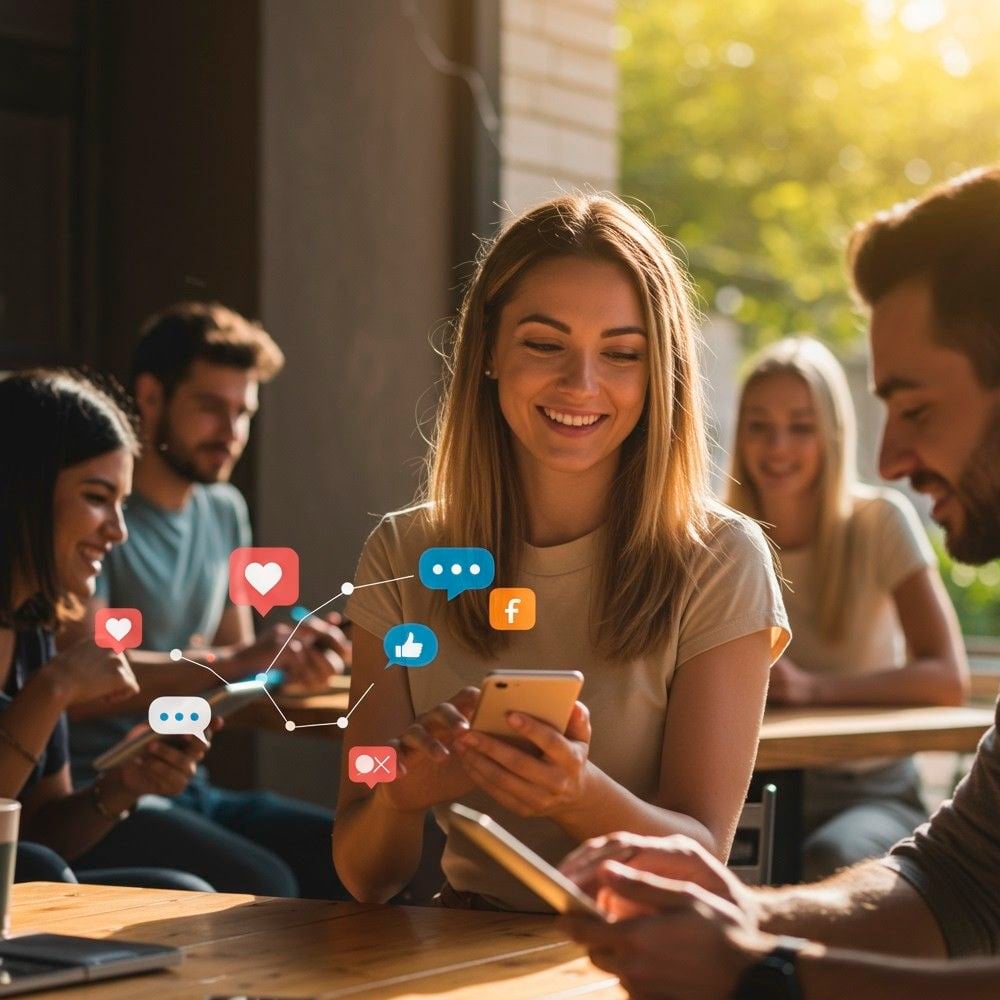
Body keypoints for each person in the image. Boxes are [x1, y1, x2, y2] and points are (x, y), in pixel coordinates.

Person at [562, 165, 1000, 997]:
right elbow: (962, 881)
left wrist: (770, 971)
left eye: (916, 409)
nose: (890, 460)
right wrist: (737, 912)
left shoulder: (869, 526)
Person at [334, 194, 791, 911]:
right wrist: (397, 798)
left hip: (640, 956)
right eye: (545, 344)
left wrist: (576, 796)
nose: (581, 384)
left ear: (659, 373)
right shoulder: (401, 552)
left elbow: (702, 852)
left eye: (621, 353)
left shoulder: (722, 558)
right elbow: (368, 874)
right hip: (457, 952)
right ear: (487, 351)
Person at [63, 303, 350, 899]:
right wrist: (241, 659)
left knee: (359, 856)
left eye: (242, 412)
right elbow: (85, 683)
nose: (231, 431)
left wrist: (291, 661)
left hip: (191, 787)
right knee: (268, 882)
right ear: (150, 396)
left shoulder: (226, 511)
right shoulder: (96, 520)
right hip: (103, 793)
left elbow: (234, 667)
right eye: (210, 407)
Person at [728, 336, 967, 878]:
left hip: (869, 791)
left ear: (833, 432)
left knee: (832, 858)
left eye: (801, 426)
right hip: (752, 781)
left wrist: (812, 689)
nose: (778, 446)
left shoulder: (880, 520)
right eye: (759, 425)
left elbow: (945, 678)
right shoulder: (717, 537)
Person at [0, 369, 212, 892]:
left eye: (122, 503)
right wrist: (54, 688)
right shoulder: (51, 665)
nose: (118, 531)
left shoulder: (32, 627)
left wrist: (121, 787)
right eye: (97, 497)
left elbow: (44, 829)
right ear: (21, 492)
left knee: (190, 896)